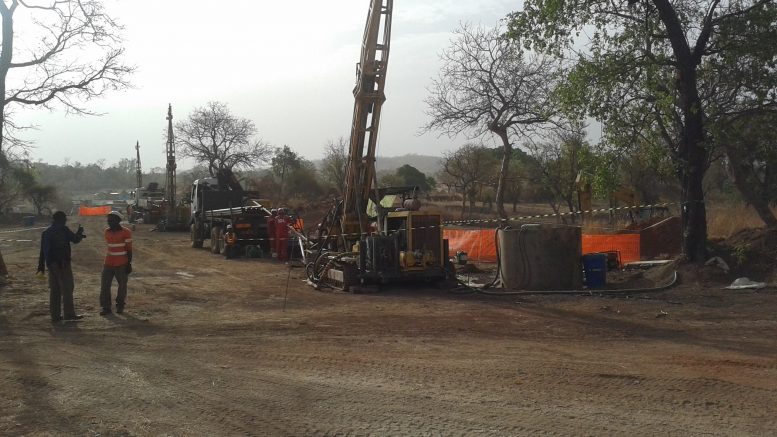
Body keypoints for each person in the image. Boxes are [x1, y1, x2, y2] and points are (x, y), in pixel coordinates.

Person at [37, 211, 86, 323]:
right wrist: (80, 232)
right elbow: (75, 239)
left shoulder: (46, 232)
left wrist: (40, 267)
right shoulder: (63, 229)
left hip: (51, 264)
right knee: (67, 288)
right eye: (64, 218)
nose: (66, 220)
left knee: (55, 290)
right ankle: (69, 314)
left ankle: (55, 315)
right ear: (61, 219)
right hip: (62, 263)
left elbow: (42, 251)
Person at [100, 211, 132, 315]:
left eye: (111, 220)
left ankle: (120, 305)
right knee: (105, 286)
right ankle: (106, 307)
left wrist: (128, 264)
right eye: (108, 220)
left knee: (122, 286)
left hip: (122, 263)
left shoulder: (126, 232)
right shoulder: (107, 232)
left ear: (118, 221)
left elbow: (129, 250)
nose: (109, 222)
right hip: (108, 262)